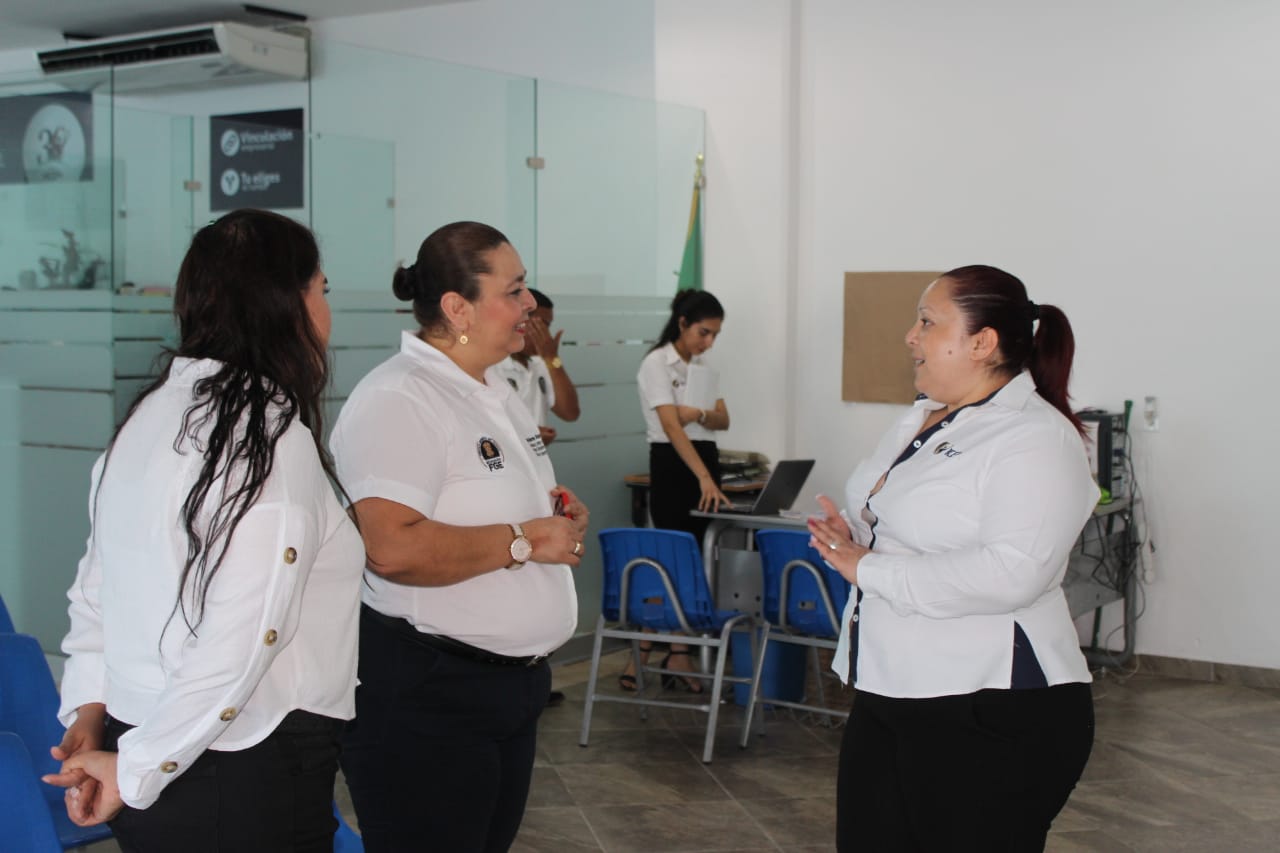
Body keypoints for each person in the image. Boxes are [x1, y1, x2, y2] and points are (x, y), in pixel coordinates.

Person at [42, 209, 364, 852]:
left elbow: (96, 592)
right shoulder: (269, 439)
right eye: (322, 290)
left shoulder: (149, 416)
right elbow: (242, 640)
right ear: (286, 305)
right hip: (236, 770)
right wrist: (135, 768)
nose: (328, 312)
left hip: (150, 744)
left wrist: (90, 712)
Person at [808, 265, 1098, 852]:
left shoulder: (1034, 436)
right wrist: (856, 536)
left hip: (990, 704)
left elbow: (1012, 573)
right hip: (890, 687)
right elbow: (905, 524)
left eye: (926, 322)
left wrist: (869, 568)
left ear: (981, 342)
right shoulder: (919, 416)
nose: (910, 337)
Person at [331, 221, 589, 853]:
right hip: (430, 694)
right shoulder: (400, 397)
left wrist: (552, 514)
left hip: (507, 690)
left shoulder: (494, 390)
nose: (530, 304)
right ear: (457, 307)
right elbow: (389, 548)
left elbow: (484, 505)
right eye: (514, 289)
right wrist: (526, 539)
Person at [625, 289, 730, 693]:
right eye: (704, 332)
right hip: (675, 463)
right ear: (682, 323)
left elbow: (722, 419)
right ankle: (650, 652)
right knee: (671, 560)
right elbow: (671, 427)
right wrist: (702, 477)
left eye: (715, 334)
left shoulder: (701, 366)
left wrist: (698, 412)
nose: (709, 342)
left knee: (696, 561)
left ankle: (676, 653)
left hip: (704, 458)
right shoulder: (656, 363)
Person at [494, 287, 580, 447]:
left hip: (537, 462)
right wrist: (528, 435)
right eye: (541, 325)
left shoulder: (542, 364)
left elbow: (570, 412)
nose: (546, 334)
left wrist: (552, 359)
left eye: (547, 327)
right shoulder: (490, 366)